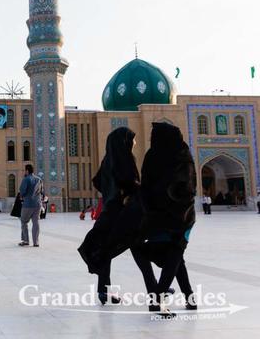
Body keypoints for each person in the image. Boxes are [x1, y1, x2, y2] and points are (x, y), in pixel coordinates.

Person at [135, 122, 197, 316]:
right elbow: (188, 187)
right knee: (175, 255)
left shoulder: (152, 156)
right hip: (181, 216)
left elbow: (146, 186)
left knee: (176, 257)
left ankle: (182, 297)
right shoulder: (182, 155)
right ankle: (165, 298)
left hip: (159, 216)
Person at [78, 127, 140, 305]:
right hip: (123, 214)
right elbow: (130, 182)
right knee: (138, 249)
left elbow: (97, 181)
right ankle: (157, 288)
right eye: (132, 139)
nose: (134, 142)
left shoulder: (108, 159)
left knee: (106, 250)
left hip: (109, 212)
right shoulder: (125, 158)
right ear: (124, 141)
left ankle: (103, 291)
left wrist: (109, 193)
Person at [18, 164, 43, 247]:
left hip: (28, 204)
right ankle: (36, 242)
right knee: (36, 222)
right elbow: (42, 191)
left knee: (24, 221)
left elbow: (22, 191)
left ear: (27, 170)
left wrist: (22, 196)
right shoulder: (39, 179)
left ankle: (26, 240)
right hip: (38, 204)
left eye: (25, 170)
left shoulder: (26, 179)